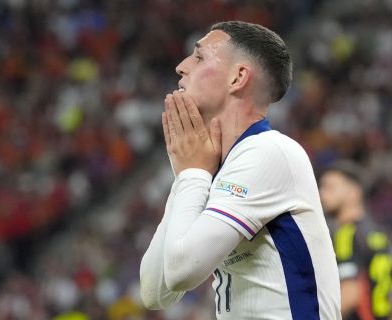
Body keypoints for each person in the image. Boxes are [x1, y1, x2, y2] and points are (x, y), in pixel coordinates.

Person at [139, 20, 341, 319]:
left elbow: (182, 272)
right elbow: (155, 291)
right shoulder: (217, 167)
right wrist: (189, 175)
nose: (181, 67)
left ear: (237, 77)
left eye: (198, 57)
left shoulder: (269, 152)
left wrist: (192, 175)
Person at [319, 161, 392, 320]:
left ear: (354, 193)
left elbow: (350, 293)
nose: (322, 195)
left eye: (330, 188)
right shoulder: (378, 234)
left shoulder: (346, 234)